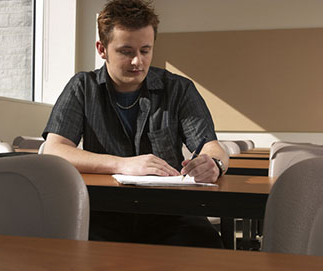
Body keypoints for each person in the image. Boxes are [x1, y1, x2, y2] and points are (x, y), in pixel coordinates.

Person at [42, 0, 229, 248]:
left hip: (170, 213)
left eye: (145, 50)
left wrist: (214, 164)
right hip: (102, 212)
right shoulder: (82, 87)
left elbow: (211, 146)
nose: (137, 62)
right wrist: (122, 164)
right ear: (102, 49)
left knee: (209, 248)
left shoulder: (179, 89)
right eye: (126, 51)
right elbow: (54, 150)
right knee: (66, 251)